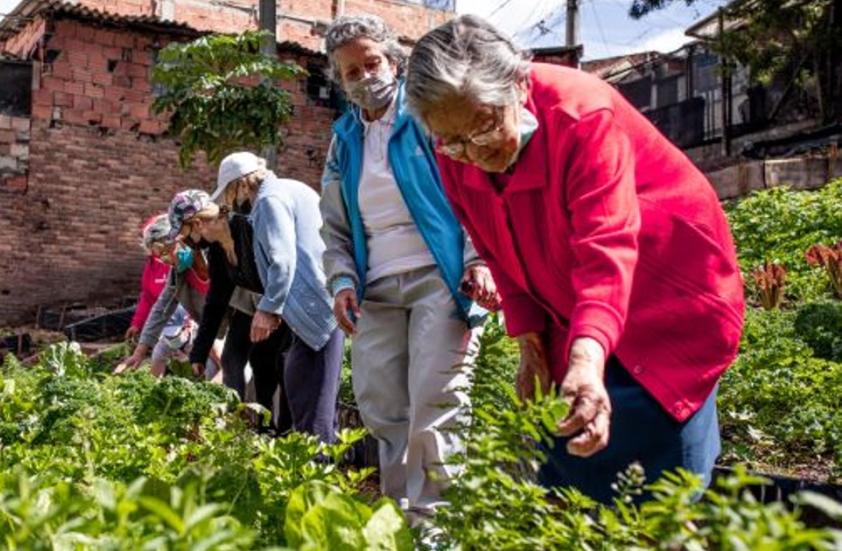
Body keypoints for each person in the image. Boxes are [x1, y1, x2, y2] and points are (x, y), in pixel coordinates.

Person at [404, 15, 745, 504]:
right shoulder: (453, 149)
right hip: (568, 298)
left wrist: (586, 361)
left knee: (659, 487)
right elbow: (499, 250)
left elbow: (607, 246)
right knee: (567, 460)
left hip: (665, 291)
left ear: (519, 84)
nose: (472, 153)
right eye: (452, 140)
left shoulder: (580, 115)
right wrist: (531, 347)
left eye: (482, 127)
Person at [319, 14, 492, 515]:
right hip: (375, 291)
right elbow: (333, 225)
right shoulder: (344, 140)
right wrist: (342, 280)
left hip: (439, 279)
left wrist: (479, 259)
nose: (364, 77)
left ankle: (436, 529)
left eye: (371, 63)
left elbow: (472, 191)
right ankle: (401, 520)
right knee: (383, 409)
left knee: (434, 404)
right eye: (351, 72)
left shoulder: (425, 118)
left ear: (394, 61)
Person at [217, 151, 344, 444]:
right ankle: (313, 467)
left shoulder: (270, 200)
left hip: (316, 308)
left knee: (314, 399)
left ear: (240, 184)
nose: (231, 200)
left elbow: (283, 259)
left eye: (230, 191)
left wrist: (268, 308)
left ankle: (318, 475)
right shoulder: (288, 188)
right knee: (301, 383)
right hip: (319, 305)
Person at [169, 189, 293, 433]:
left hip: (284, 305)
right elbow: (216, 299)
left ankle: (286, 432)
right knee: (236, 357)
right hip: (254, 308)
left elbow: (281, 269)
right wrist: (199, 352)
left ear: (196, 223)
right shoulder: (217, 249)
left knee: (279, 364)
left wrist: (271, 311)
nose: (185, 242)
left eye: (184, 234)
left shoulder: (245, 228)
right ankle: (249, 427)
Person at [115, 214, 220, 378]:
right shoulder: (178, 272)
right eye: (160, 258)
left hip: (234, 329)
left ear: (180, 238)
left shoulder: (217, 259)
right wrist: (139, 352)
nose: (166, 261)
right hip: (210, 331)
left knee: (225, 364)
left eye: (166, 252)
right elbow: (161, 306)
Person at [124, 216, 173, 343]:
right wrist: (137, 324)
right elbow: (147, 297)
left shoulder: (178, 263)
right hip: (162, 325)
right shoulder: (151, 266)